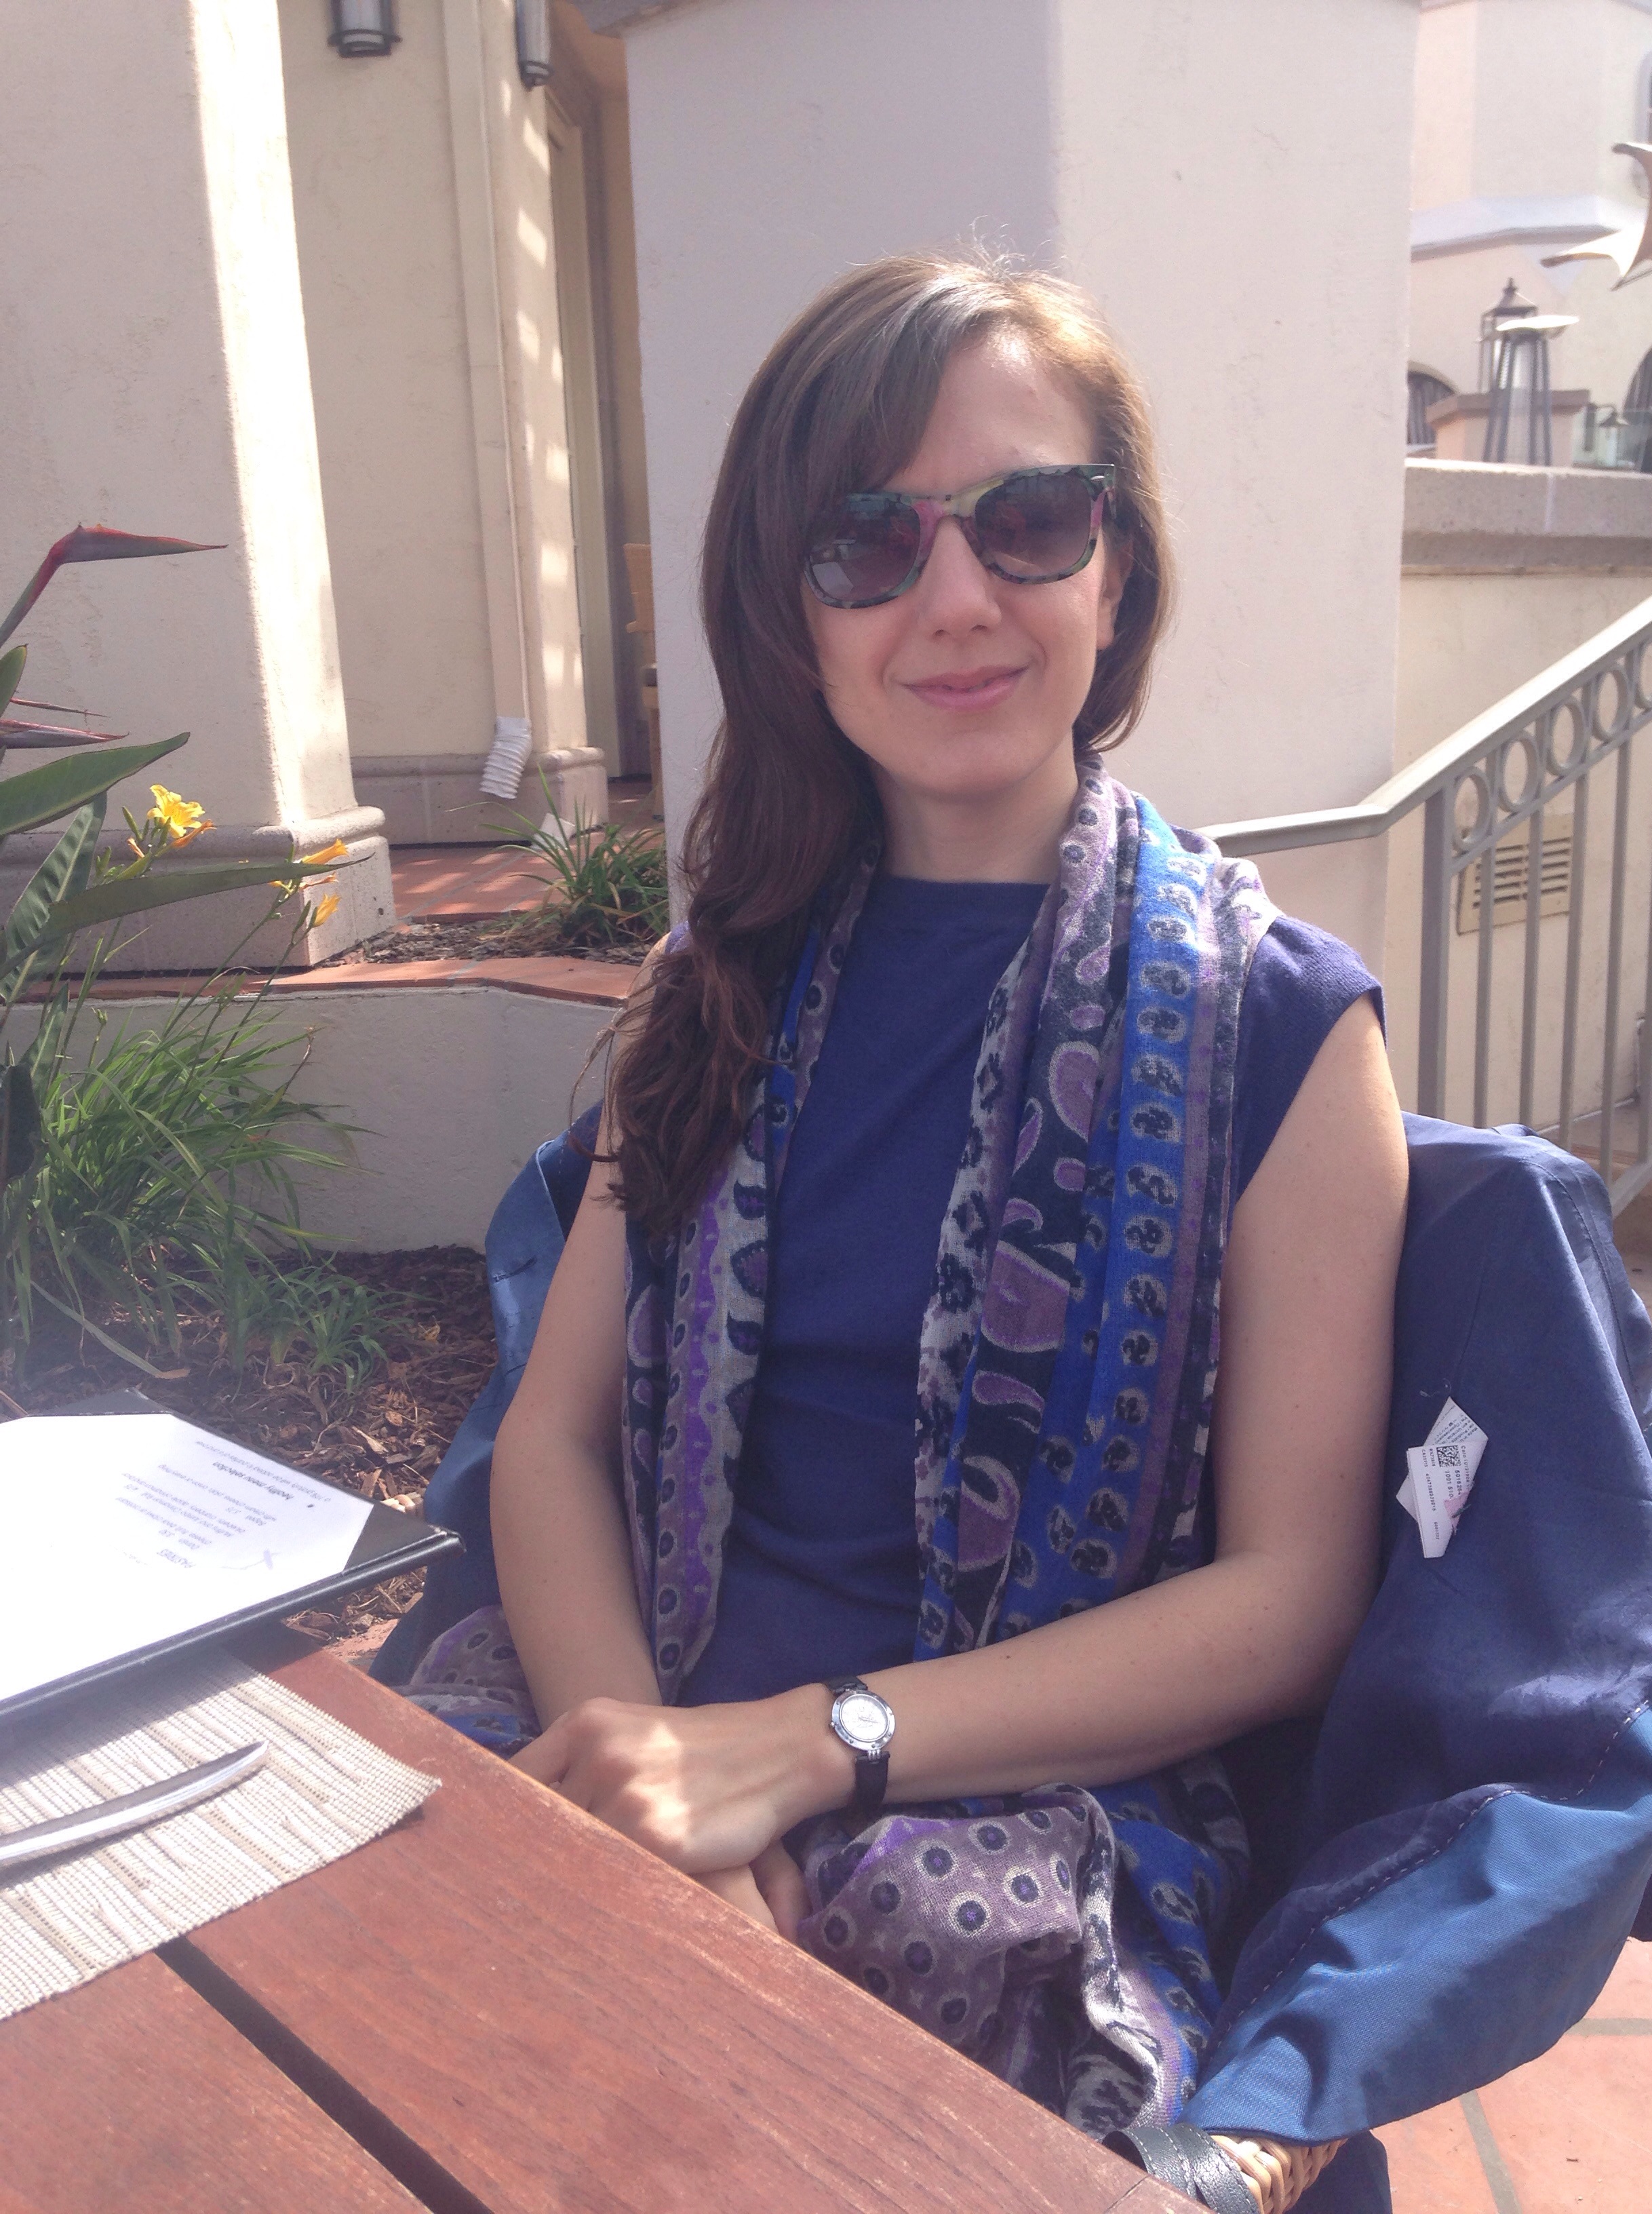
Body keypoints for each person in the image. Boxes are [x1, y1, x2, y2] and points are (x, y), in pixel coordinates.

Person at [410, 253, 1410, 2209]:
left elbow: (1294, 1594)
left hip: (1015, 1835)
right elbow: (554, 1437)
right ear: (792, 615)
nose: (955, 599)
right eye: (869, 544)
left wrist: (810, 1751)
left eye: (1027, 521)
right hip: (633, 1725)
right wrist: (646, 1775)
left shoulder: (1282, 1027)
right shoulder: (714, 982)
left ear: (1117, 568)